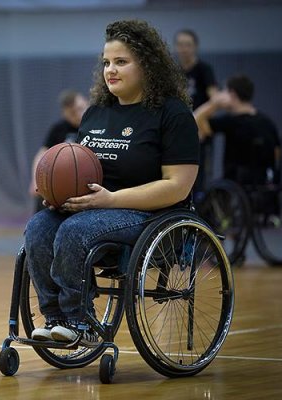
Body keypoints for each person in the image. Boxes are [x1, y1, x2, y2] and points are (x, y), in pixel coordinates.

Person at [25, 20, 199, 345]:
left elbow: (178, 186)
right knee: (38, 228)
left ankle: (82, 323)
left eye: (121, 62)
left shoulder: (172, 115)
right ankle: (56, 319)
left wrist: (111, 200)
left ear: (147, 64)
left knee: (74, 230)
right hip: (94, 208)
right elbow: (81, 171)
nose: (110, 70)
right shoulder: (96, 112)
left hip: (149, 215)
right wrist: (60, 193)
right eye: (106, 62)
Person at [194, 74, 281, 185]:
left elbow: (195, 120)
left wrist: (214, 104)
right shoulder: (267, 123)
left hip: (234, 188)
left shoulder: (230, 122)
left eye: (224, 91)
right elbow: (277, 154)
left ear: (232, 95)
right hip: (264, 187)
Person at [28, 90, 89, 212]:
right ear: (64, 114)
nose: (78, 115)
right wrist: (35, 181)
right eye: (72, 113)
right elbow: (42, 154)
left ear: (87, 103)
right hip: (63, 180)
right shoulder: (59, 129)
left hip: (87, 179)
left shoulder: (97, 124)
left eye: (81, 108)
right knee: (42, 194)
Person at [175, 29, 218, 195]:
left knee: (200, 178)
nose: (184, 48)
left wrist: (197, 118)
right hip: (178, 130)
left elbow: (216, 99)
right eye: (180, 44)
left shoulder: (204, 70)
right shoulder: (173, 70)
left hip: (199, 131)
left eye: (188, 45)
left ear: (195, 47)